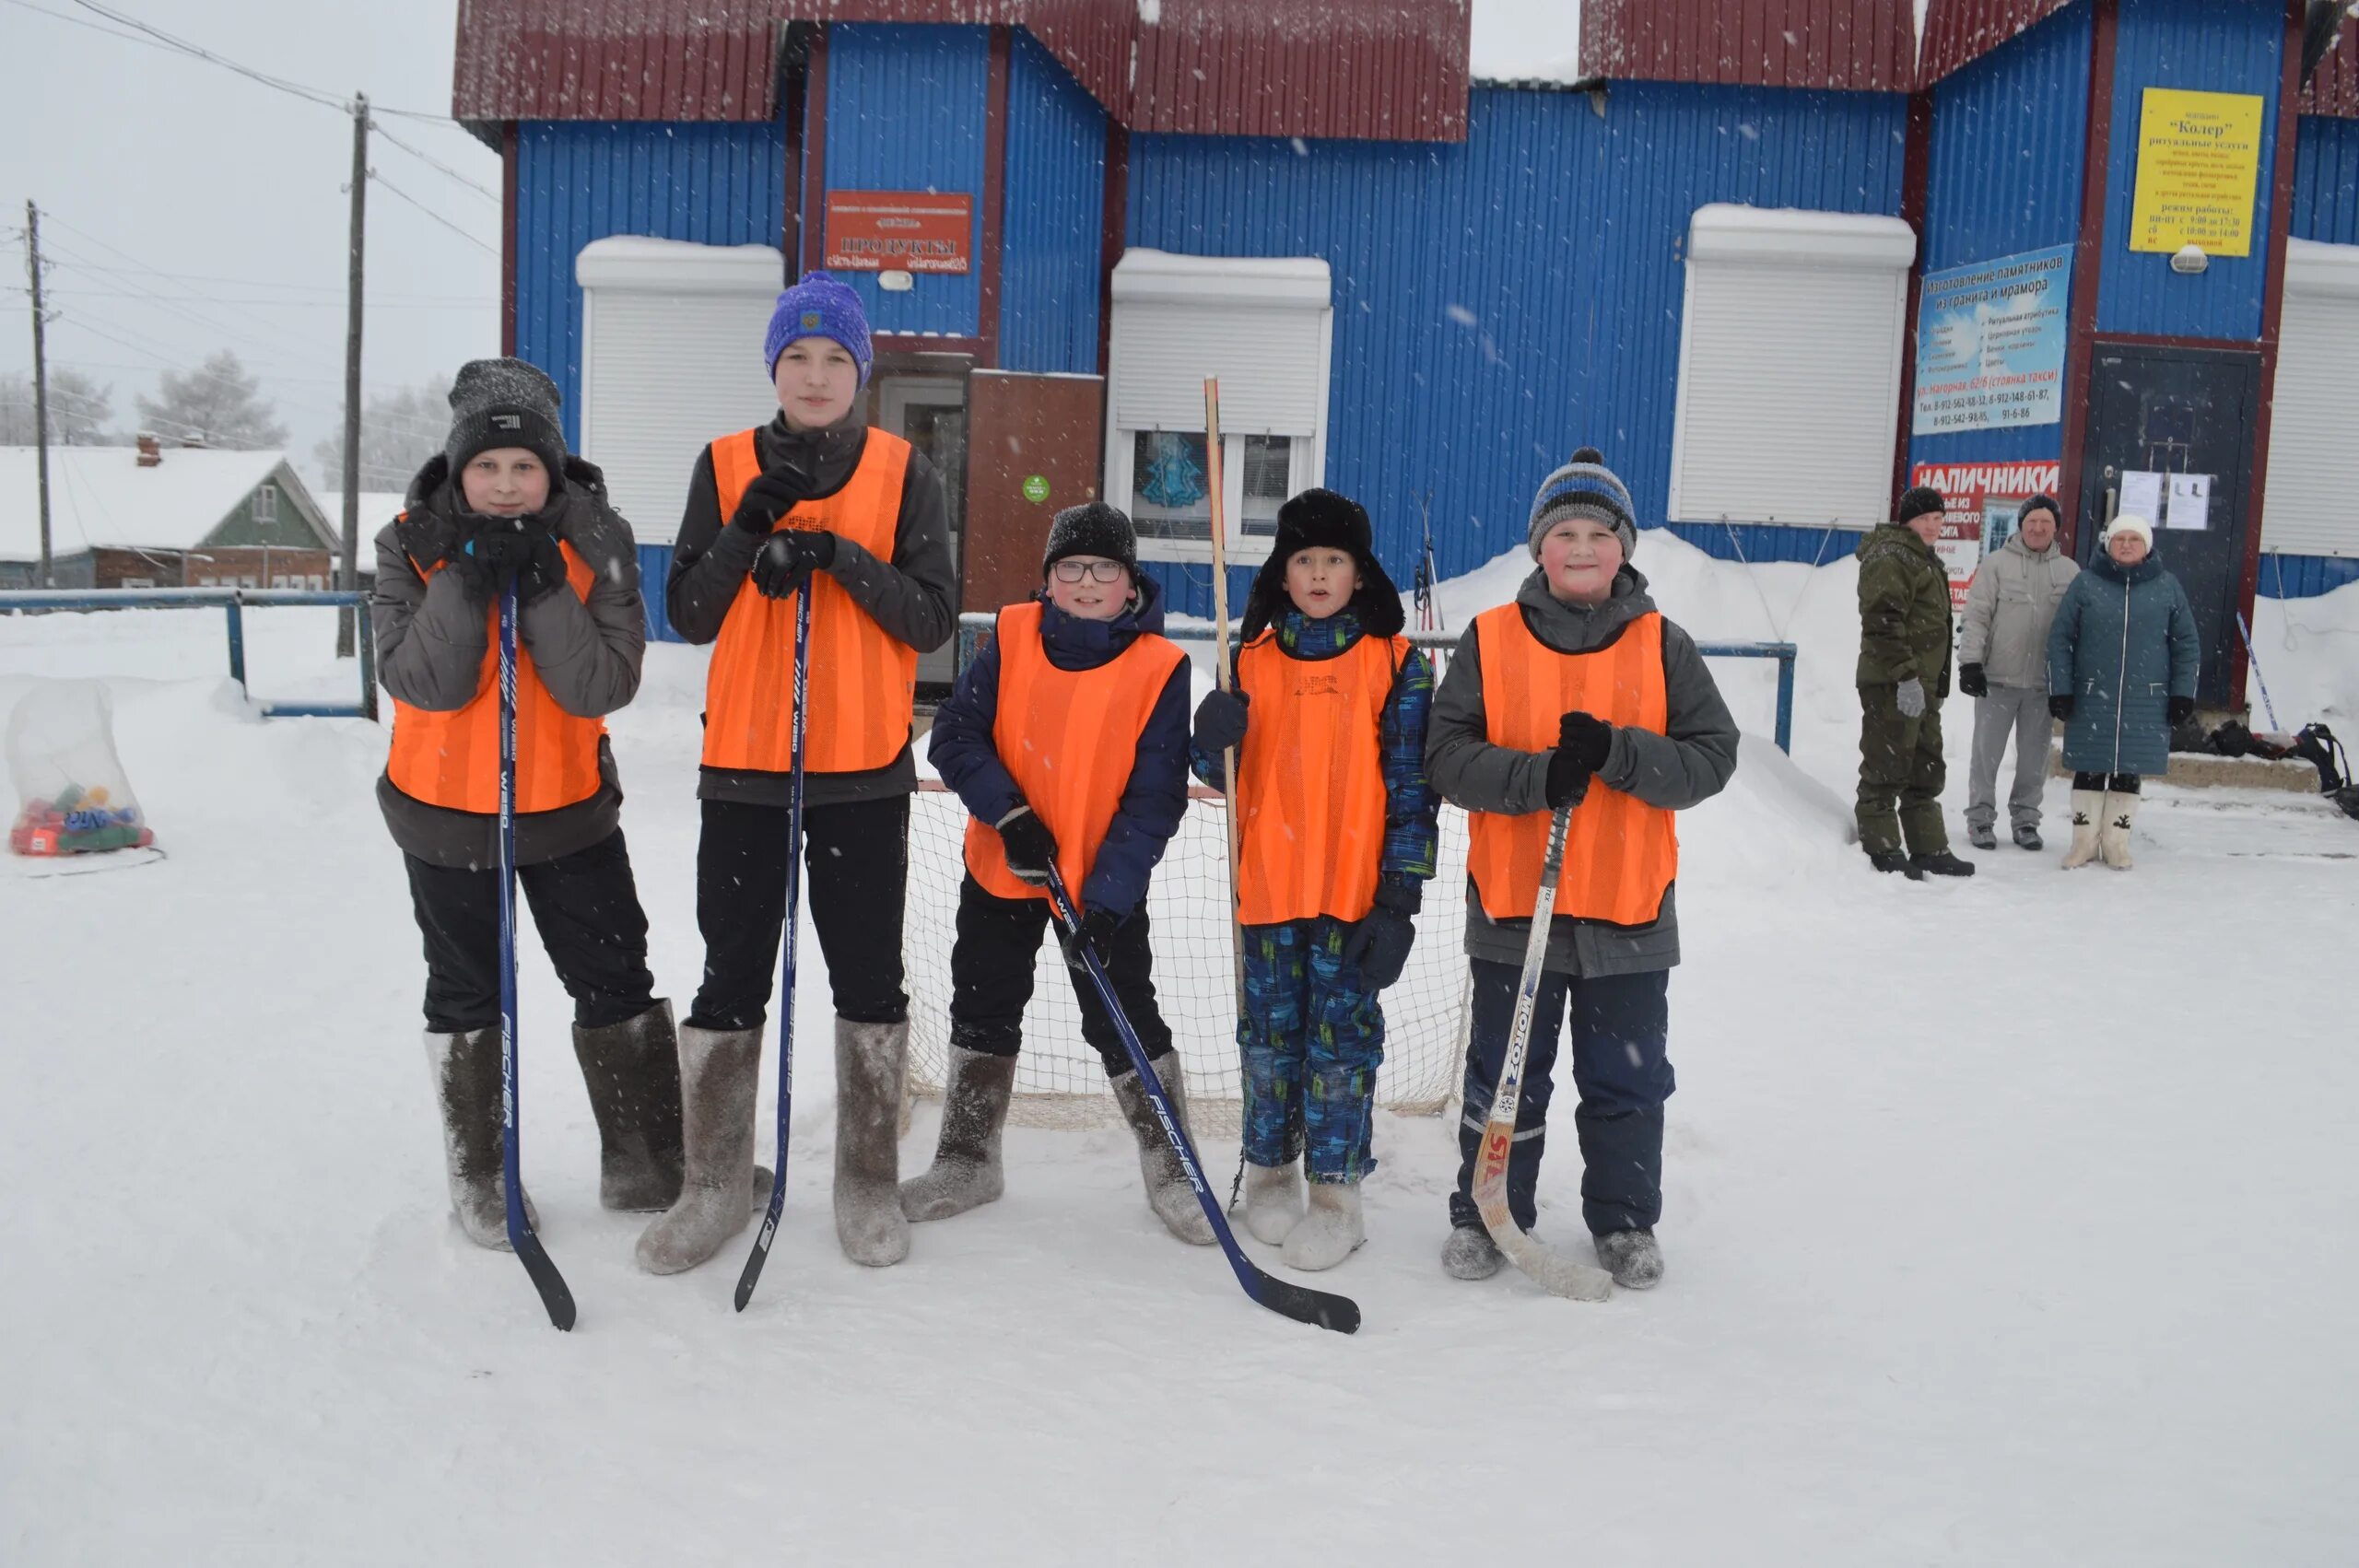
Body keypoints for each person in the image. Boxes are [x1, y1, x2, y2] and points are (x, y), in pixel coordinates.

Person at [643, 272, 956, 1273]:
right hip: (745, 768)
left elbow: (931, 619)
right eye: (796, 358)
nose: (815, 376)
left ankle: (867, 1182)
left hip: (861, 772)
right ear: (772, 368)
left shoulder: (906, 469)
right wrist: (752, 528)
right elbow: (688, 611)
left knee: (869, 978)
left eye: (835, 358)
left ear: (861, 371)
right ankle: (715, 1185)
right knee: (730, 975)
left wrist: (832, 557)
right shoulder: (726, 461)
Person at [375, 358, 683, 1250]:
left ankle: (647, 1164)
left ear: (552, 470)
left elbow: (598, 686)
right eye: (486, 467)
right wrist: (464, 577)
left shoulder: (601, 542)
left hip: (567, 810)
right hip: (443, 812)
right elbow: (422, 681)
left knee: (614, 977)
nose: (505, 486)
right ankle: (482, 1179)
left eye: (524, 468)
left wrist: (546, 583)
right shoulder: (408, 543)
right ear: (458, 469)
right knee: (466, 990)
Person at [1425, 450, 1738, 1291]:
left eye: (1600, 532)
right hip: (1514, 908)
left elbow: (1715, 758)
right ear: (1538, 547)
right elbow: (1446, 757)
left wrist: (1620, 755)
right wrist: (1535, 779)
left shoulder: (1662, 644)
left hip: (1629, 912)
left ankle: (1625, 1220)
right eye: (1565, 531)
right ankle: (1489, 1209)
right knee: (1503, 1080)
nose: (1583, 547)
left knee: (1626, 1085)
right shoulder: (1488, 639)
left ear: (1624, 547)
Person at [904, 501, 1209, 1246]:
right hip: (1006, 866)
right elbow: (955, 734)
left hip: (1098, 886)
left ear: (1129, 582)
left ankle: (1174, 1168)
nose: (1085, 581)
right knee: (983, 1004)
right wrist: (1010, 816)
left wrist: (1108, 897)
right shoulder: (1011, 637)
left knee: (1123, 1016)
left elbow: (1155, 796)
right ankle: (968, 1157)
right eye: (1069, 567)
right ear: (1048, 578)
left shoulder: (1160, 668)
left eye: (1104, 568)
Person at [1186, 489, 1438, 1270]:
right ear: (1284, 572)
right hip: (1267, 892)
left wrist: (1400, 897)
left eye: (1336, 560)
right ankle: (1269, 1174)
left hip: (1352, 898)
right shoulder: (1247, 660)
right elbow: (1215, 771)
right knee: (1269, 1043)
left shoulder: (1397, 664)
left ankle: (1336, 1195)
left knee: (1339, 1048)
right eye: (1305, 560)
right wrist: (1209, 735)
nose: (1321, 573)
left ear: (1360, 574)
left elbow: (1411, 793)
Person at [2046, 514, 2201, 870]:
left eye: (2134, 539)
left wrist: (2182, 693)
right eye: (2120, 539)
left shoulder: (2167, 587)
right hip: (2090, 696)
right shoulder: (2086, 585)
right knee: (2088, 767)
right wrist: (2061, 689)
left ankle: (2117, 843)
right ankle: (2083, 843)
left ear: (2146, 547)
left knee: (2129, 769)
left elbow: (2187, 644)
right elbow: (2060, 640)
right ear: (2108, 543)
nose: (2127, 544)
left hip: (2144, 699)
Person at [1854, 485, 1975, 878]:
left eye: (1938, 519)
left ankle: (1928, 847)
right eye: (1925, 518)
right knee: (1886, 767)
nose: (1933, 526)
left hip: (1921, 687)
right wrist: (1905, 676)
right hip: (1893, 683)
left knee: (1925, 767)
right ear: (1908, 520)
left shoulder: (1924, 559)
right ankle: (1883, 848)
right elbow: (1882, 622)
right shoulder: (1892, 557)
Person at [1958, 494, 2079, 851]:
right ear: (2021, 525)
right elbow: (1976, 616)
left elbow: (2077, 631)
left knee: (2034, 758)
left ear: (2056, 527)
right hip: (1997, 680)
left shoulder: (2070, 572)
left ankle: (2026, 820)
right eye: (2032, 522)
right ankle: (1980, 820)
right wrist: (1970, 663)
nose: (2038, 528)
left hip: (2043, 686)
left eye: (2045, 522)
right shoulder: (1996, 565)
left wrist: (2067, 683)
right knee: (1986, 755)